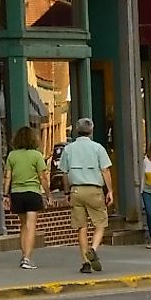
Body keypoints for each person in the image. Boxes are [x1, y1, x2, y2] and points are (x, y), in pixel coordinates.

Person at [55, 117, 114, 274]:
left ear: (76, 130)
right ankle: (93, 249)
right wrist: (110, 190)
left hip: (76, 190)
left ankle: (85, 262)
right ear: (91, 130)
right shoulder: (98, 148)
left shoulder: (68, 149)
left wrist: (67, 192)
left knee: (81, 226)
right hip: (94, 189)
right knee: (100, 224)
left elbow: (64, 174)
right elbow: (105, 170)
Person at [4, 126, 48, 270]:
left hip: (17, 193)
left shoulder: (12, 155)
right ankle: (27, 258)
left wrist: (5, 194)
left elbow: (8, 177)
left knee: (23, 226)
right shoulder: (36, 155)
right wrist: (48, 194)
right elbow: (42, 177)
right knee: (31, 226)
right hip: (32, 192)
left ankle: (24, 255)